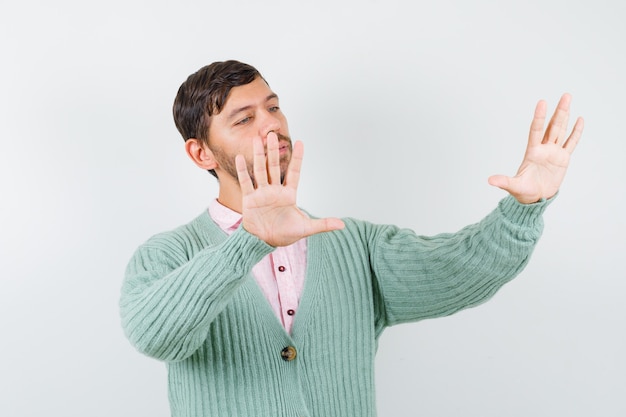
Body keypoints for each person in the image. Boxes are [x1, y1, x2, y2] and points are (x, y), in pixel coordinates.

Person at [120, 60, 584, 417]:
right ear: (200, 152)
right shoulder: (165, 254)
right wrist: (248, 243)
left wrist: (523, 209)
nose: (272, 124)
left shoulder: (353, 243)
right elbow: (156, 335)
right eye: (244, 119)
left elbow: (458, 271)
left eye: (274, 106)